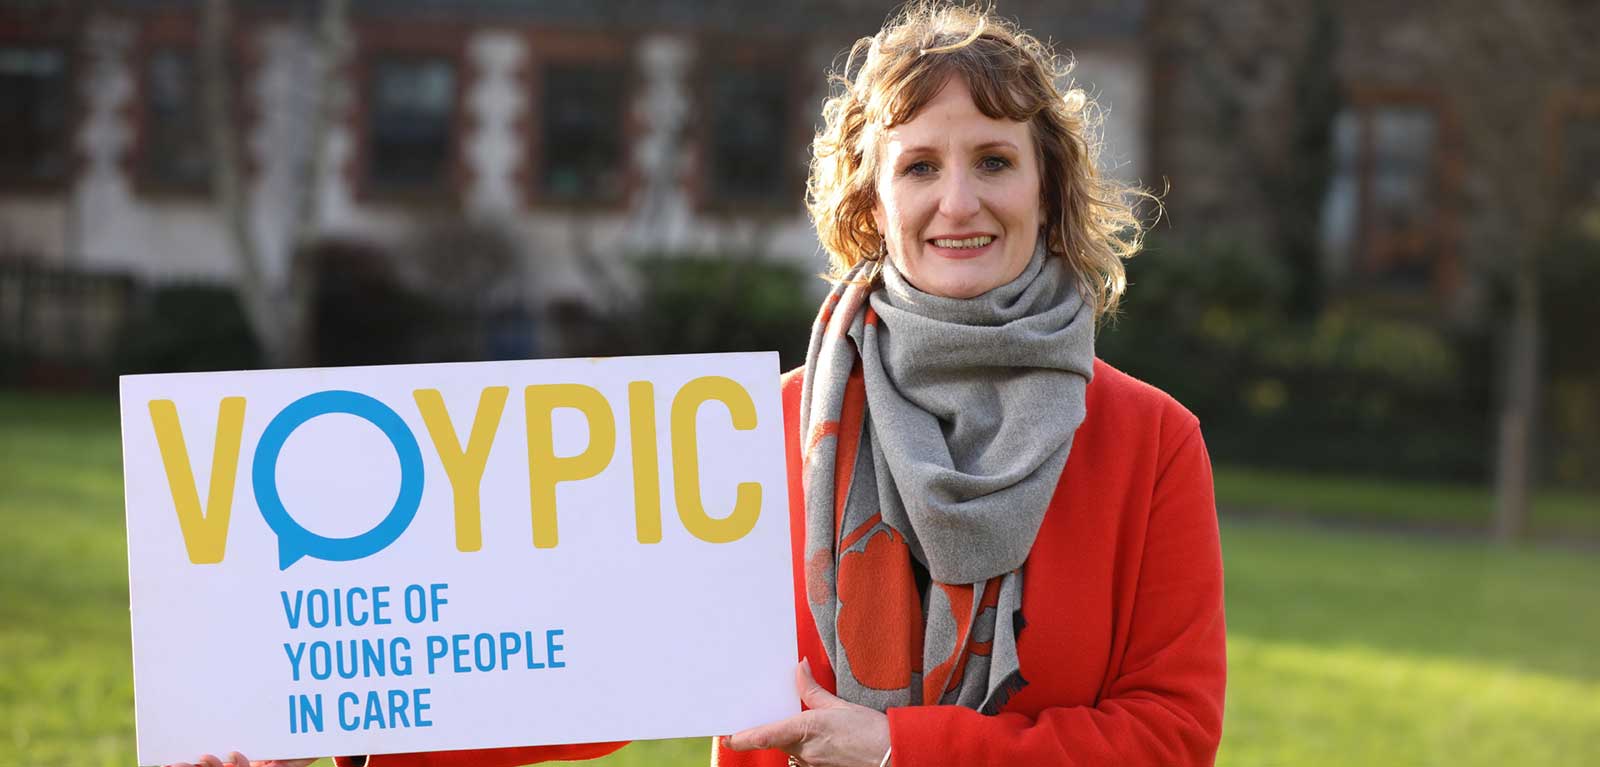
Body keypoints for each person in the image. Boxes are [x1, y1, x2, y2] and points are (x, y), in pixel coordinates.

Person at [175, 4, 1225, 767]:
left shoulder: (1149, 441)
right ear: (869, 194)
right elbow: (588, 668)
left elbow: (1169, 733)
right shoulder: (748, 429)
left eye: (993, 159)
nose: (958, 200)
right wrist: (336, 724)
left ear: (1048, 188)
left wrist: (899, 747)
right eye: (918, 165)